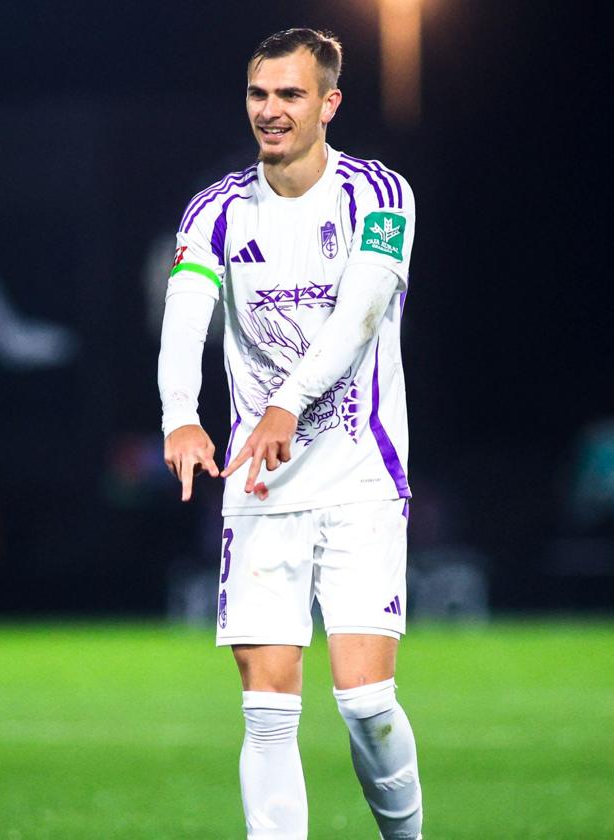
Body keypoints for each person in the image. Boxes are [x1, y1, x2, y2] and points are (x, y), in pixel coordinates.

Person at [158, 28, 422, 840]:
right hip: (261, 488)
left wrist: (288, 403)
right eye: (258, 95)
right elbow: (185, 317)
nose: (270, 112)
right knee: (267, 714)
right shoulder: (215, 210)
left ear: (329, 103)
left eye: (290, 95)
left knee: (366, 701)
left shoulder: (381, 195)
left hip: (361, 479)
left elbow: (362, 313)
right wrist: (181, 415)